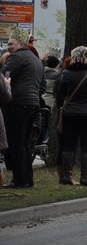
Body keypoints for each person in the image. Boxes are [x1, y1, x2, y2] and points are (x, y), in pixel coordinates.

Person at [55, 46, 87, 186]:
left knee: (69, 144)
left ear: (73, 57)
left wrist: (62, 105)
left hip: (70, 114)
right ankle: (85, 177)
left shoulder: (66, 73)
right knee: (86, 145)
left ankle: (66, 175)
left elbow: (59, 95)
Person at [1, 27, 45, 188]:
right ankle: (28, 180)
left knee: (15, 143)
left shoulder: (17, 57)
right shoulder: (36, 60)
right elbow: (42, 86)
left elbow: (3, 75)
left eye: (11, 43)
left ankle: (19, 180)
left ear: (20, 43)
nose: (8, 46)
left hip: (17, 104)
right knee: (25, 144)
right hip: (32, 104)